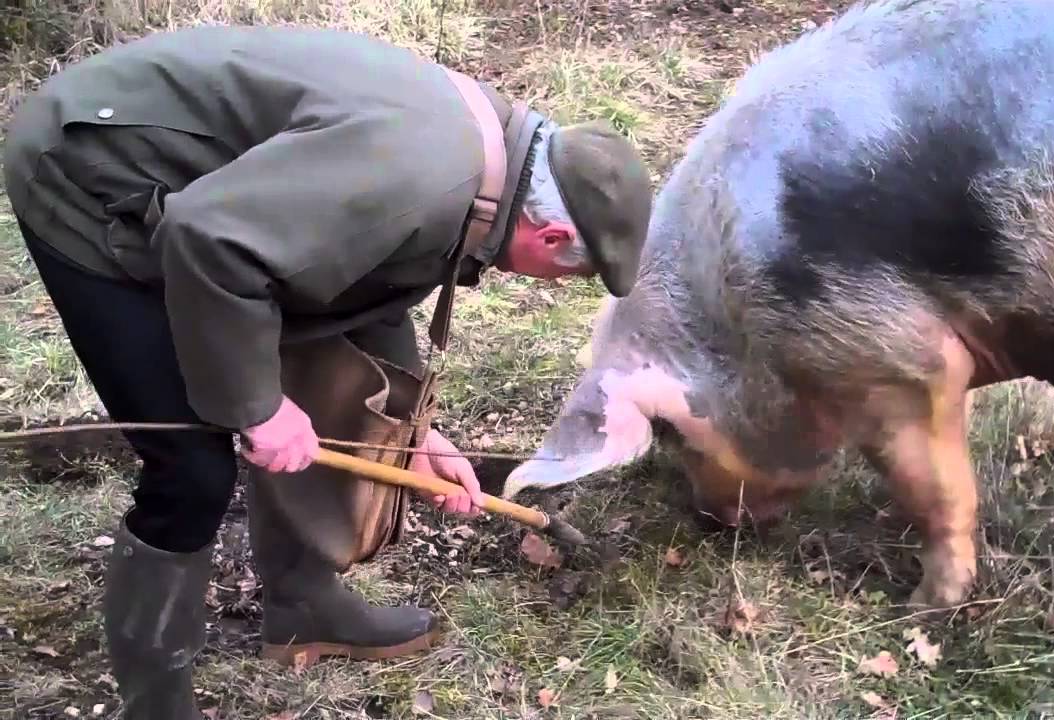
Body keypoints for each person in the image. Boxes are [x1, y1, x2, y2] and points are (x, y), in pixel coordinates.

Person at [2, 23, 652, 720]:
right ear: (551, 236)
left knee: (343, 392)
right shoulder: (420, 174)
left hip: (210, 205)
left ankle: (303, 605)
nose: (553, 284)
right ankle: (155, 704)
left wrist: (414, 435)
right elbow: (209, 240)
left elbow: (372, 283)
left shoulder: (487, 165)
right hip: (90, 168)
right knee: (192, 471)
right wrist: (256, 407)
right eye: (568, 274)